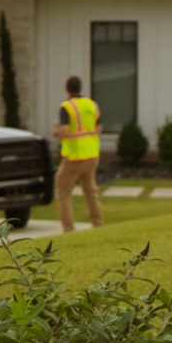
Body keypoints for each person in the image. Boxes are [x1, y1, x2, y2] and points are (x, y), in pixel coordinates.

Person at [52, 74, 104, 232]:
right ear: (80, 87)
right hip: (92, 154)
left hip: (74, 156)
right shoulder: (91, 105)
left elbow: (66, 131)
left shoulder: (67, 107)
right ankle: (98, 225)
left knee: (62, 192)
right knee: (91, 192)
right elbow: (98, 129)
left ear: (67, 88)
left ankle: (69, 229)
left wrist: (56, 132)